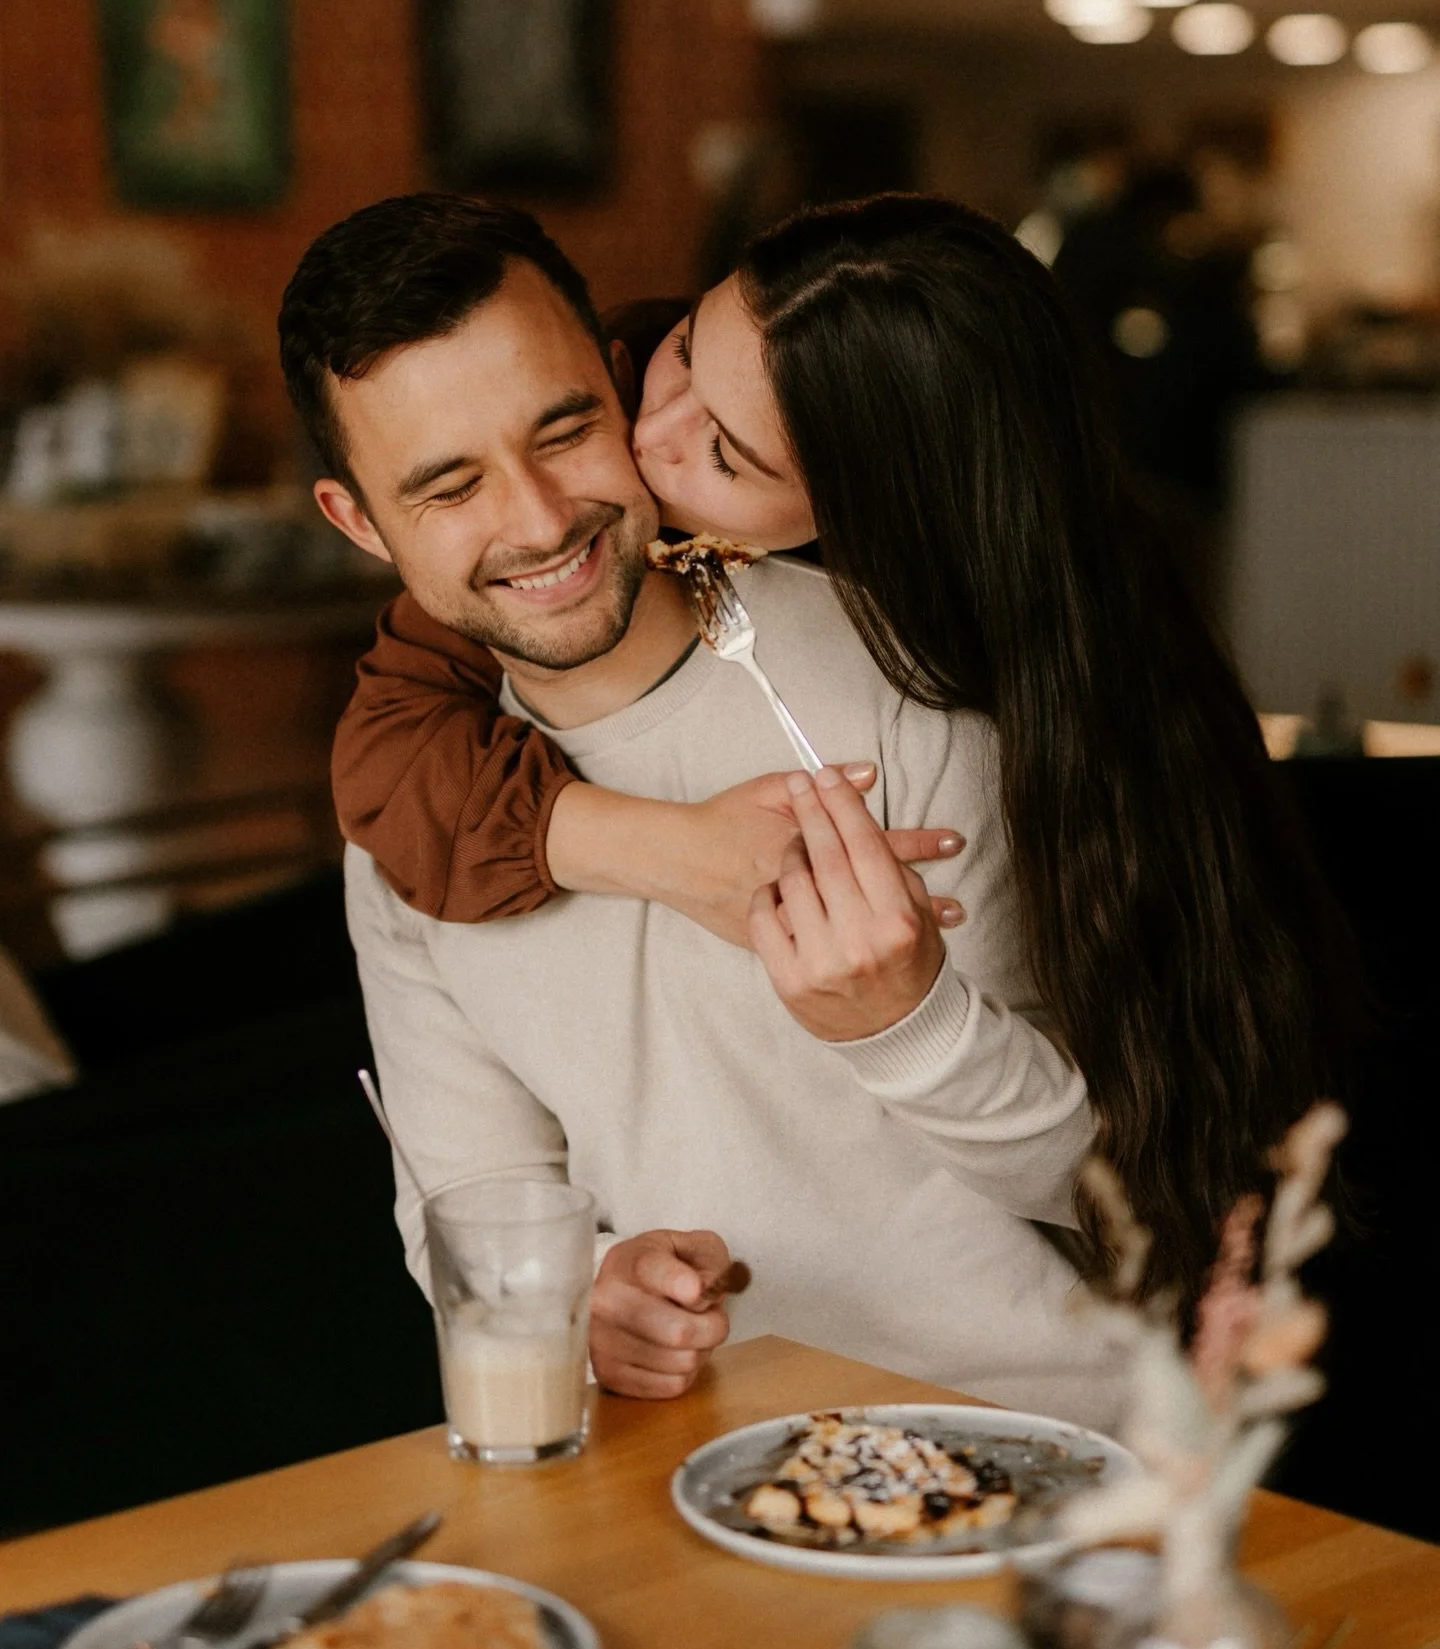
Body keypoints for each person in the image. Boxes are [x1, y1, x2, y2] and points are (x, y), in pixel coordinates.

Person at [318, 192, 1350, 1329]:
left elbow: (1156, 1202)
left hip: (1024, 1442)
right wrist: (569, 1300)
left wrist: (909, 1025)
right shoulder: (413, 808)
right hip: (682, 1467)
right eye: (449, 486)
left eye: (570, 430)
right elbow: (469, 1205)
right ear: (358, 521)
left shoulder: (925, 698)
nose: (546, 512)